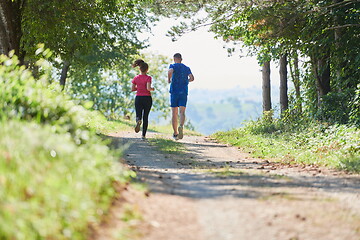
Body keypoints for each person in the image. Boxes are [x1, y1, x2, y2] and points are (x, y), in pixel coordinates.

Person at [168, 53, 194, 140]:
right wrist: (186, 81)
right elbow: (192, 78)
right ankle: (181, 126)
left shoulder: (173, 65)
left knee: (174, 113)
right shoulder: (186, 68)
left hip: (174, 91)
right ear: (181, 59)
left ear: (174, 58)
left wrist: (169, 79)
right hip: (183, 92)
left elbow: (170, 71)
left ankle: (175, 133)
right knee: (182, 112)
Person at [131, 59, 154, 139]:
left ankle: (138, 121)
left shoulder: (136, 78)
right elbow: (148, 88)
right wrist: (152, 89)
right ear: (147, 69)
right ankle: (143, 135)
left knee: (138, 114)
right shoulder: (148, 78)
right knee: (146, 116)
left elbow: (133, 89)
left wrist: (139, 87)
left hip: (139, 98)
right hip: (147, 98)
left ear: (139, 68)